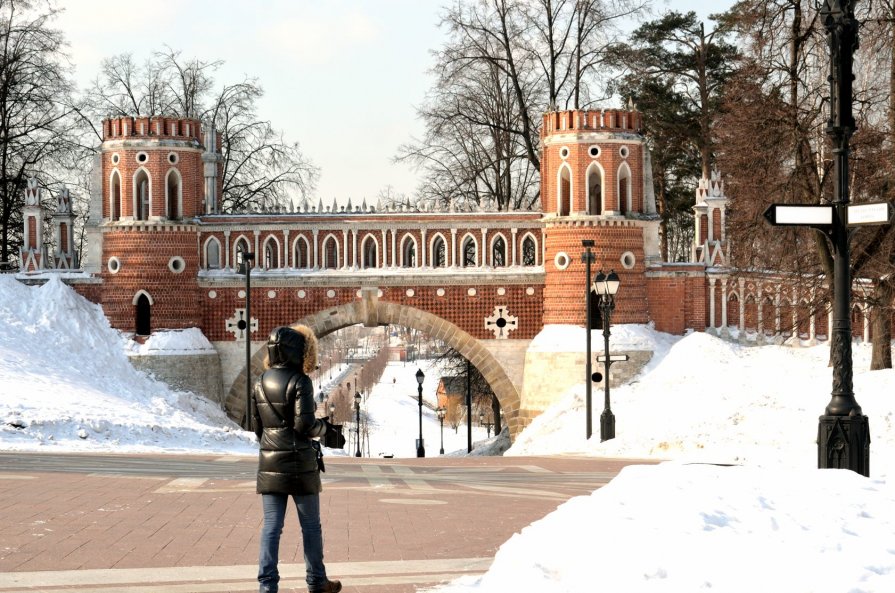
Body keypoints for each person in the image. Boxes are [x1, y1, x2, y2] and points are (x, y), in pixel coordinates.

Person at [250, 325, 341, 593]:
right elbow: (305, 426)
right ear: (298, 352)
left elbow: (258, 430)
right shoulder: (300, 381)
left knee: (271, 527)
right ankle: (317, 581)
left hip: (270, 463)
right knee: (310, 526)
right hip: (300, 464)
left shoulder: (260, 381)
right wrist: (327, 429)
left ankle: (267, 586)